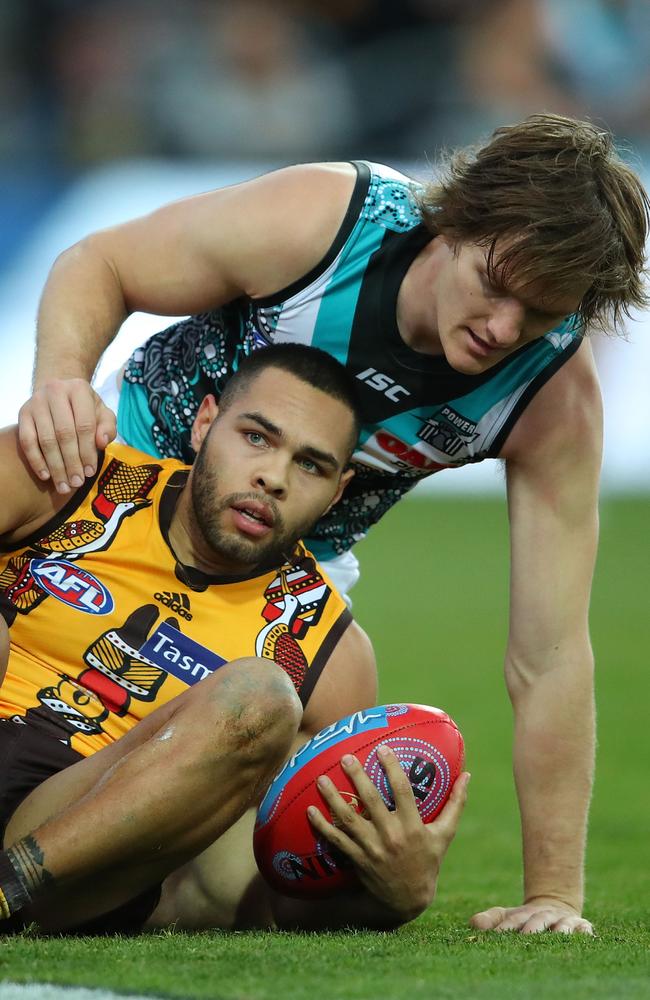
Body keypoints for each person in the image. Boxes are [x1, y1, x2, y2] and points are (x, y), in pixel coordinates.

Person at [18, 114, 650, 934]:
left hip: (284, 578)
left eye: (539, 315)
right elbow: (99, 260)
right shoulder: (324, 223)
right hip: (120, 499)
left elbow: (552, 656)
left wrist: (554, 896)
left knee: (244, 857)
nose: (504, 330)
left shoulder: (553, 396)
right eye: (496, 285)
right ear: (454, 218)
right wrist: (60, 382)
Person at [0, 344, 469, 934]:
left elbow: (262, 885)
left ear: (336, 492)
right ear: (202, 425)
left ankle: (8, 888)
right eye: (256, 438)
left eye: (310, 466)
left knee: (260, 694)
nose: (272, 477)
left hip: (73, 844)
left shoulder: (329, 656)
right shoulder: (71, 475)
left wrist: (390, 897)